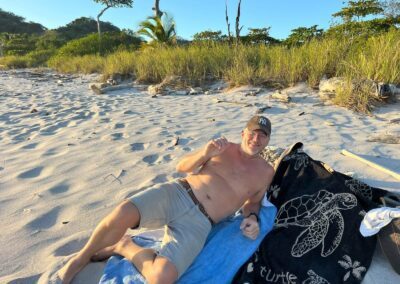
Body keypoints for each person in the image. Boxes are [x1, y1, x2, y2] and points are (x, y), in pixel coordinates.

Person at [57, 115, 274, 284]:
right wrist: (204, 153)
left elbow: (252, 201)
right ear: (244, 132)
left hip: (201, 223)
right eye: (253, 133)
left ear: (267, 140)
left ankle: (124, 246)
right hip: (178, 194)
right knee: (123, 212)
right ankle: (80, 259)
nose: (256, 139)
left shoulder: (265, 172)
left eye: (263, 135)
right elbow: (182, 167)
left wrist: (253, 217)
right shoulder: (222, 147)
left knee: (161, 279)